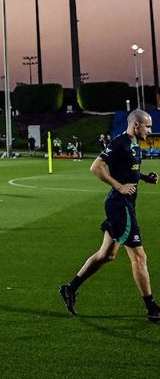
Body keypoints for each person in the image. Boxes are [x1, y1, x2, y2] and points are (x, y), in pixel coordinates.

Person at [59, 110, 160, 322]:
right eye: (147, 127)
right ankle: (152, 309)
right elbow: (96, 167)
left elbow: (126, 169)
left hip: (123, 205)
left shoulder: (133, 145)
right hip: (119, 205)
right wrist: (119, 186)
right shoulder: (120, 142)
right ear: (136, 125)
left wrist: (144, 178)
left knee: (107, 255)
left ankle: (70, 288)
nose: (150, 131)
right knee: (139, 258)